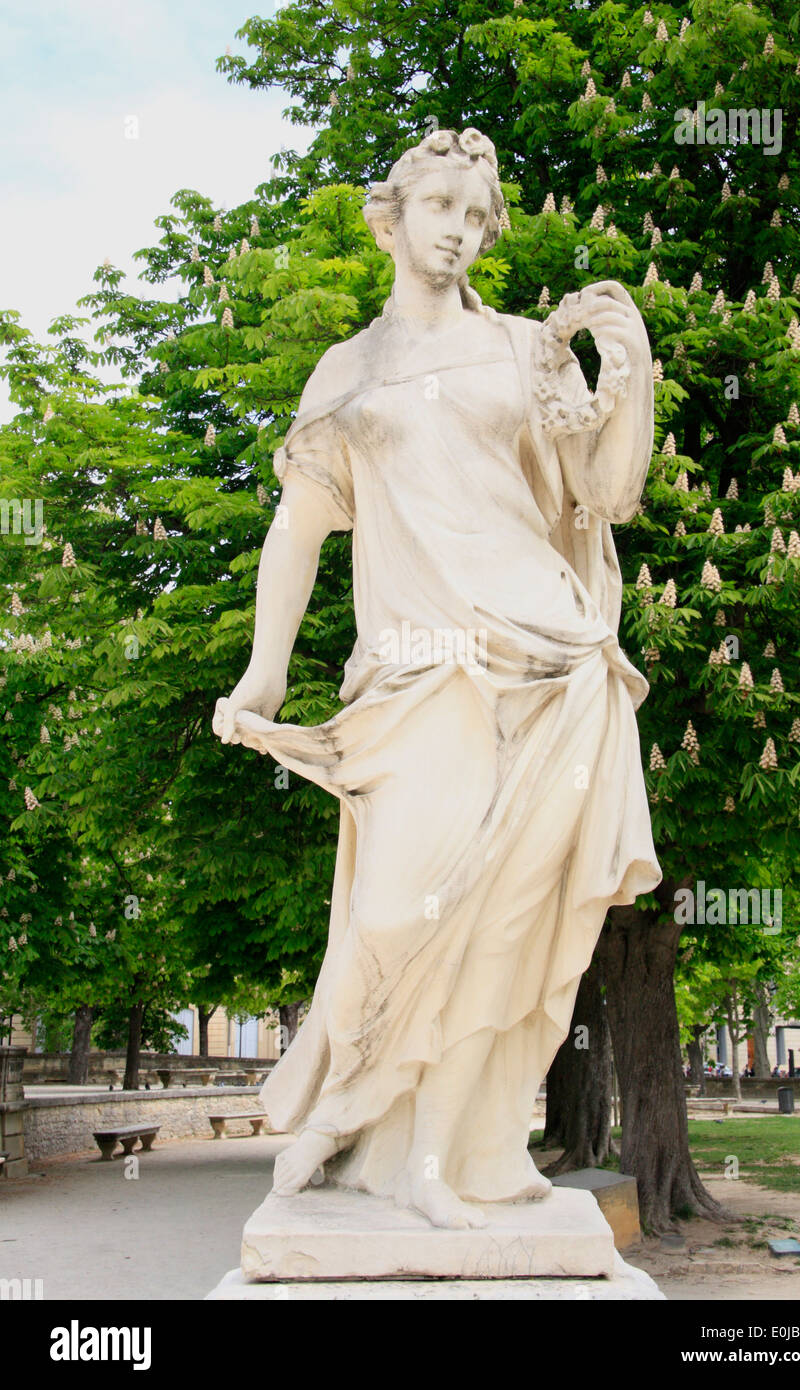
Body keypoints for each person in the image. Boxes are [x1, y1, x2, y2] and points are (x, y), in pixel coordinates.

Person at [213, 128, 661, 1230]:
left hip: (551, 667)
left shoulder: (522, 351)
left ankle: (440, 1157)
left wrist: (629, 368)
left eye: (476, 215)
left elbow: (606, 495)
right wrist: (264, 674)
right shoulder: (348, 371)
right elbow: (298, 526)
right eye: (440, 208)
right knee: (388, 916)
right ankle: (347, 1112)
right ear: (395, 214)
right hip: (415, 674)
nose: (458, 230)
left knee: (502, 924)